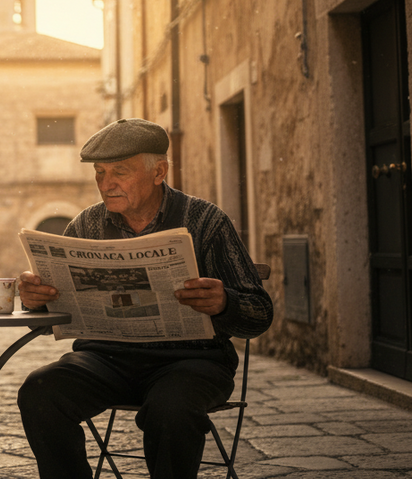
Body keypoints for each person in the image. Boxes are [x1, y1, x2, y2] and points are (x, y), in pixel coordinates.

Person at [16, 118, 273, 479]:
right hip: (105, 359)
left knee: (173, 408)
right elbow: (43, 322)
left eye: (119, 172)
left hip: (192, 362)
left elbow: (260, 314)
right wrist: (36, 300)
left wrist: (225, 302)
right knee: (40, 391)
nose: (106, 184)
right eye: (100, 173)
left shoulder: (206, 221)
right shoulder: (86, 226)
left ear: (159, 172)